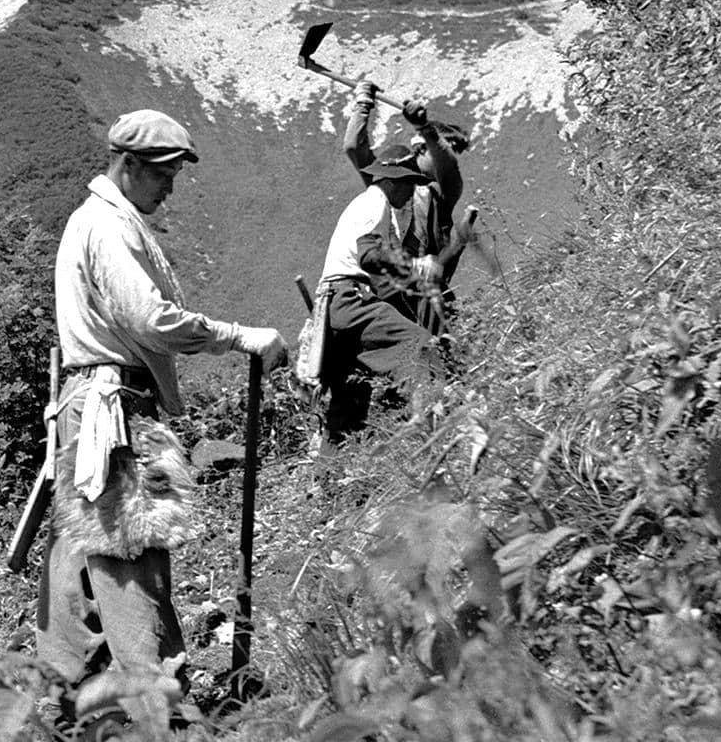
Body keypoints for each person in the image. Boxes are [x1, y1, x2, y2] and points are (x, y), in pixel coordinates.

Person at [39, 109, 289, 692]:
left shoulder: (101, 219)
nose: (170, 188)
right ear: (128, 165)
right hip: (113, 412)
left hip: (90, 402)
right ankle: (159, 707)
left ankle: (65, 701)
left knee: (77, 562)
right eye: (163, 176)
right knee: (130, 554)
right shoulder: (106, 226)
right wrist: (238, 336)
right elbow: (150, 320)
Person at [314, 152, 447, 440]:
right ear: (393, 181)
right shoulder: (376, 202)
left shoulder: (364, 206)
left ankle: (329, 481)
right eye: (410, 184)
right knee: (419, 347)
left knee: (348, 403)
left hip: (332, 307)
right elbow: (370, 256)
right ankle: (432, 437)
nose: (412, 193)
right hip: (351, 298)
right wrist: (417, 266)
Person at [340, 84, 471, 328]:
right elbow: (353, 147)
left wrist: (425, 128)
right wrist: (363, 104)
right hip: (385, 297)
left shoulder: (441, 192)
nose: (449, 159)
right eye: (442, 150)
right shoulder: (388, 177)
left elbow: (448, 168)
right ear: (421, 148)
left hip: (426, 295)